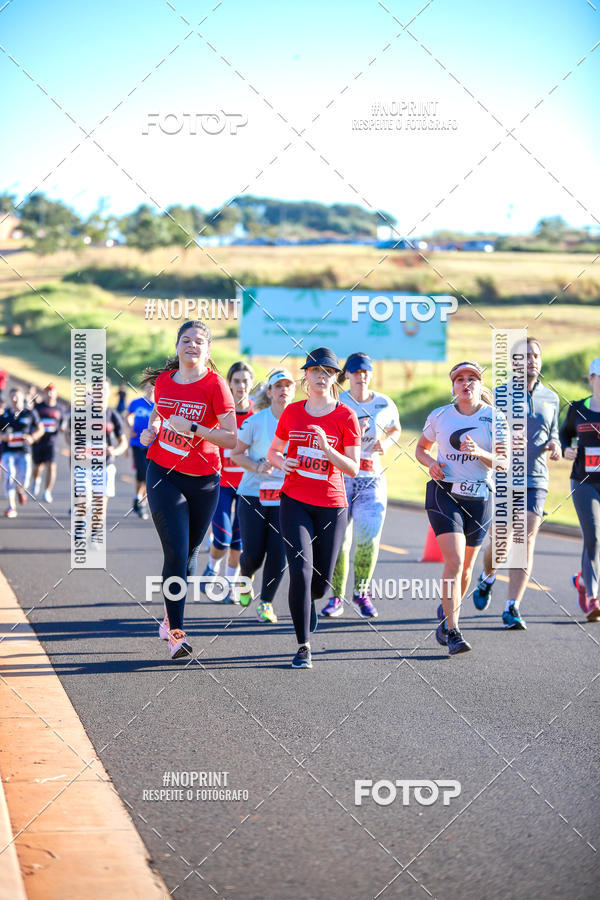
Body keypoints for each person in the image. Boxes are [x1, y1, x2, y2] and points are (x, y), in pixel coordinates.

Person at [139, 321, 236, 660]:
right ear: (177, 346)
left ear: (208, 351)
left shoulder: (216, 386)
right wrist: (151, 430)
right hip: (163, 473)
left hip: (205, 480)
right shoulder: (165, 382)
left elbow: (230, 438)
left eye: (199, 341)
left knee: (192, 552)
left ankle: (170, 614)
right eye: (186, 340)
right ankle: (177, 637)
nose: (192, 345)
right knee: (177, 552)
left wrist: (194, 427)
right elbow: (158, 413)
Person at [268, 348, 361, 669]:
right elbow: (273, 453)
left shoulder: (346, 416)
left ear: (335, 378)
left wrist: (325, 448)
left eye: (328, 373)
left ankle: (309, 603)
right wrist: (284, 461)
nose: (321, 377)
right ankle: (303, 646)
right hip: (294, 501)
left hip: (332, 506)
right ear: (305, 375)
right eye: (315, 371)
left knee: (320, 585)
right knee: (300, 572)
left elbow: (352, 468)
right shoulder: (292, 413)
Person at [415, 361, 505, 655]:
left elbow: (504, 463)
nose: (466, 384)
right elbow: (421, 449)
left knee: (466, 567)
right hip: (445, 493)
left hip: (480, 497)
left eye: (472, 379)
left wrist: (480, 453)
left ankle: (446, 620)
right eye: (460, 380)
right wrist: (431, 466)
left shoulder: (495, 418)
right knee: (453, 561)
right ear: (453, 387)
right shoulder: (440, 416)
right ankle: (454, 631)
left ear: (480, 385)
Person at [471, 338, 561, 629]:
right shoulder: (498, 396)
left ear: (541, 360)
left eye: (535, 355)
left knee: (525, 540)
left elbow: (554, 432)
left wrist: (555, 445)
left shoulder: (551, 398)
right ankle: (486, 578)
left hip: (536, 477)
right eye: (524, 356)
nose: (531, 360)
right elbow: (486, 433)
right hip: (504, 477)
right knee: (500, 540)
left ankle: (512, 607)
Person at [322, 352, 401, 619]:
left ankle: (362, 594)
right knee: (340, 541)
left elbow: (395, 427)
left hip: (372, 479)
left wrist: (387, 443)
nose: (361, 376)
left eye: (365, 371)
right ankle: (335, 598)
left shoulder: (384, 402)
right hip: (342, 478)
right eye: (355, 372)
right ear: (347, 375)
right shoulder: (337, 402)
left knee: (368, 540)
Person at [230, 368, 296, 623]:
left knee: (279, 553)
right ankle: (245, 578)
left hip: (286, 496)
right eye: (278, 386)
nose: (283, 390)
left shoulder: (300, 421)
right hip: (253, 494)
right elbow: (235, 453)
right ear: (269, 392)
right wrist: (257, 466)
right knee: (253, 554)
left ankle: (266, 603)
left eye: (288, 386)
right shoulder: (256, 421)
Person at [201, 362, 254, 602]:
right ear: (229, 384)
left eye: (245, 381)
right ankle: (212, 565)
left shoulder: (258, 415)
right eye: (236, 381)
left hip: (248, 486)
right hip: (221, 483)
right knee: (221, 539)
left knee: (238, 542)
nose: (241, 386)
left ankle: (231, 585)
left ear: (251, 383)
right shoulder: (220, 412)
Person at [560, 356, 600, 621]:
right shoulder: (578, 408)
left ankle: (584, 580)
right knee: (593, 536)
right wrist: (566, 449)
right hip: (585, 481)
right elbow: (564, 433)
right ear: (592, 378)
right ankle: (593, 596)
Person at [0, 387, 44, 517]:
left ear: (22, 397)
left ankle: (20, 490)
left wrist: (32, 437)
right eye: (12, 396)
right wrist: (4, 437)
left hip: (24, 451)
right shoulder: (5, 415)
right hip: (9, 452)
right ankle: (11, 506)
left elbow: (40, 429)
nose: (14, 399)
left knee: (24, 479)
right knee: (9, 475)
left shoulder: (30, 413)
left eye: (17, 396)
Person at [32, 383, 65, 503]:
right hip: (38, 442)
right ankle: (36, 480)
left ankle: (47, 491)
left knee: (51, 466)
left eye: (52, 392)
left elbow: (63, 424)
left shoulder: (60, 408)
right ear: (44, 393)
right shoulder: (38, 407)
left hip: (52, 442)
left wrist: (63, 428)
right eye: (47, 392)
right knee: (38, 467)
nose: (50, 394)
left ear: (56, 394)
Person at [126, 383, 154, 520]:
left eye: (154, 387)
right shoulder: (136, 403)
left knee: (149, 476)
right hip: (137, 443)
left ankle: (141, 502)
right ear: (145, 388)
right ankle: (137, 497)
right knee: (142, 472)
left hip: (153, 445)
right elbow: (128, 416)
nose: (151, 389)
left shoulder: (159, 405)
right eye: (149, 387)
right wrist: (130, 427)